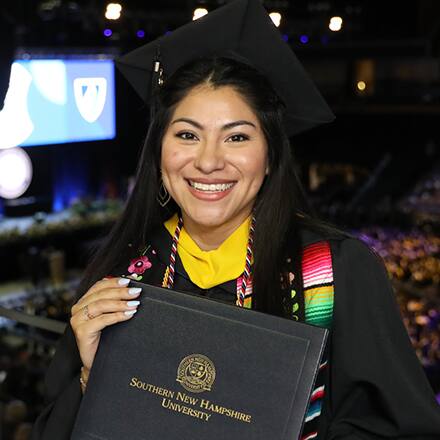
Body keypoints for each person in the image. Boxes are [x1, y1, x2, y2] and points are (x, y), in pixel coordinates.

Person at [31, 0, 440, 439]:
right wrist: (95, 377)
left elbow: (403, 428)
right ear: (158, 154)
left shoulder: (336, 273)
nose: (208, 161)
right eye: (187, 134)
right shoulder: (120, 278)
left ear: (269, 158)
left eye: (237, 137)